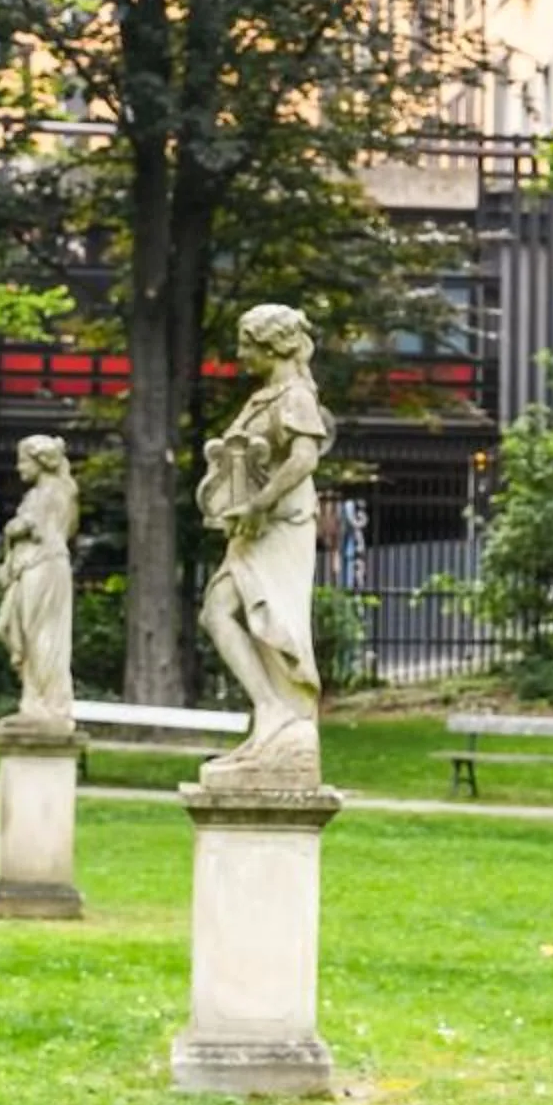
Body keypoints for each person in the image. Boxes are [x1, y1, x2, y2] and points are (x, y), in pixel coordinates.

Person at [198, 303, 333, 776]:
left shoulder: (296, 395)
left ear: (271, 345)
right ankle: (270, 715)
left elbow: (304, 460)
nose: (239, 354)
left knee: (258, 617)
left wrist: (259, 503)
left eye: (246, 344)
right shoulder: (262, 398)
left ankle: (283, 719)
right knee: (218, 611)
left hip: (280, 525)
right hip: (251, 528)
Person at [0, 435, 79, 726]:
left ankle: (47, 706)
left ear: (40, 461)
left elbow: (42, 531)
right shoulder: (37, 494)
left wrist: (16, 528)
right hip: (30, 567)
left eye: (23, 461)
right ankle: (32, 701)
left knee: (43, 637)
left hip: (45, 567)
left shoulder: (56, 492)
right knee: (17, 631)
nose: (19, 468)